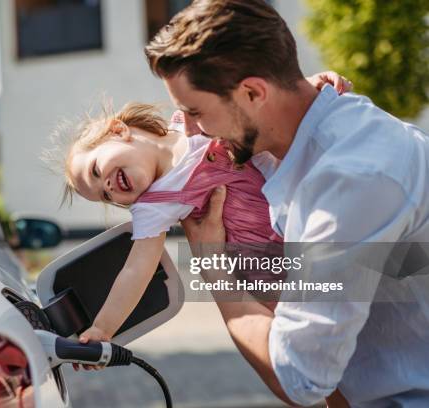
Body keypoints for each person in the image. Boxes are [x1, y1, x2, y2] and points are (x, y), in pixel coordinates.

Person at [144, 0, 429, 406]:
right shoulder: (296, 139)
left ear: (253, 92)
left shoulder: (352, 181)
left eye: (195, 111)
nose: (190, 130)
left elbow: (299, 377)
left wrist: (213, 271)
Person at [56, 72, 350, 351]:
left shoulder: (193, 118)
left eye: (96, 170)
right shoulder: (154, 204)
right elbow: (136, 270)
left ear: (117, 131)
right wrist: (103, 328)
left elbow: (262, 108)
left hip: (312, 223)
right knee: (323, 355)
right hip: (270, 273)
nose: (107, 187)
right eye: (105, 196)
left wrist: (310, 87)